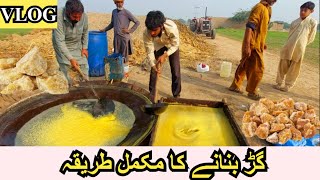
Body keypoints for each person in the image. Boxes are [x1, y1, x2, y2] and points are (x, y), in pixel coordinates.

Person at [229, 0, 277, 100]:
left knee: (245, 64)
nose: (275, 0)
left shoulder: (268, 9)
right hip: (252, 44)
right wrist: (247, 45)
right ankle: (252, 91)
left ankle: (235, 86)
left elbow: (261, 28)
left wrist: (263, 42)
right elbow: (250, 26)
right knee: (259, 68)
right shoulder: (259, 7)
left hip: (258, 43)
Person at [274, 1, 317, 92]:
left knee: (294, 68)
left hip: (299, 49)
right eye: (301, 10)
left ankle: (287, 86)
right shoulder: (294, 22)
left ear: (311, 11)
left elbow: (311, 37)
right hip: (288, 47)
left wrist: (302, 44)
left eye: (305, 10)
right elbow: (290, 35)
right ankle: (279, 83)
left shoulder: (312, 22)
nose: (302, 12)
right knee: (282, 65)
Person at [143, 11, 181, 101]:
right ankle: (152, 94)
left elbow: (175, 45)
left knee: (175, 70)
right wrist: (153, 65)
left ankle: (176, 94)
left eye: (154, 30)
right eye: (150, 30)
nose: (152, 33)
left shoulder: (172, 28)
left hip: (171, 46)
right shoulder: (146, 33)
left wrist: (166, 54)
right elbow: (149, 51)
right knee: (154, 70)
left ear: (161, 26)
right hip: (158, 46)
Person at [52, 0, 89, 85]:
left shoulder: (84, 16)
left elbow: (85, 32)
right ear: (68, 13)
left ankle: (86, 90)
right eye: (75, 17)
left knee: (83, 66)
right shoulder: (58, 17)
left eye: (79, 16)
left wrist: (84, 47)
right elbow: (60, 41)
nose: (78, 19)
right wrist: (71, 59)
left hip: (76, 44)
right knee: (67, 70)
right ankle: (70, 89)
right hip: (62, 44)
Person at [100, 0, 140, 64]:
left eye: (121, 2)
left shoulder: (126, 12)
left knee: (124, 57)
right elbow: (112, 24)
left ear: (123, 3)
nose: (120, 4)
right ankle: (118, 71)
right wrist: (104, 29)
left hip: (124, 38)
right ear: (115, 3)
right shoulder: (114, 12)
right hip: (116, 38)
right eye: (118, 2)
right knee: (117, 56)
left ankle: (125, 72)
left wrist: (129, 30)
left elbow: (137, 22)